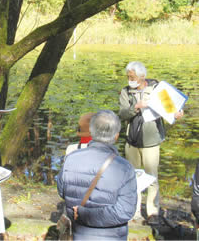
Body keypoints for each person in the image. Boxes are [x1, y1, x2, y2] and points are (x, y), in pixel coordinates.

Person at [119, 61, 184, 224]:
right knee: (132, 177)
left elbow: (170, 109)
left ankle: (153, 211)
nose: (129, 80)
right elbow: (122, 114)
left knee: (152, 177)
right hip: (132, 141)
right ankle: (133, 211)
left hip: (152, 141)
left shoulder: (157, 89)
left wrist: (176, 115)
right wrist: (137, 107)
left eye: (132, 77)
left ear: (142, 77)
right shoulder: (126, 92)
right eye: (128, 77)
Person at [57, 110, 137, 240]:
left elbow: (62, 191)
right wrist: (88, 214)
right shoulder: (124, 167)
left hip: (80, 234)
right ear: (116, 136)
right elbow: (125, 211)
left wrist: (83, 213)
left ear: (92, 132)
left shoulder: (71, 159)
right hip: (112, 236)